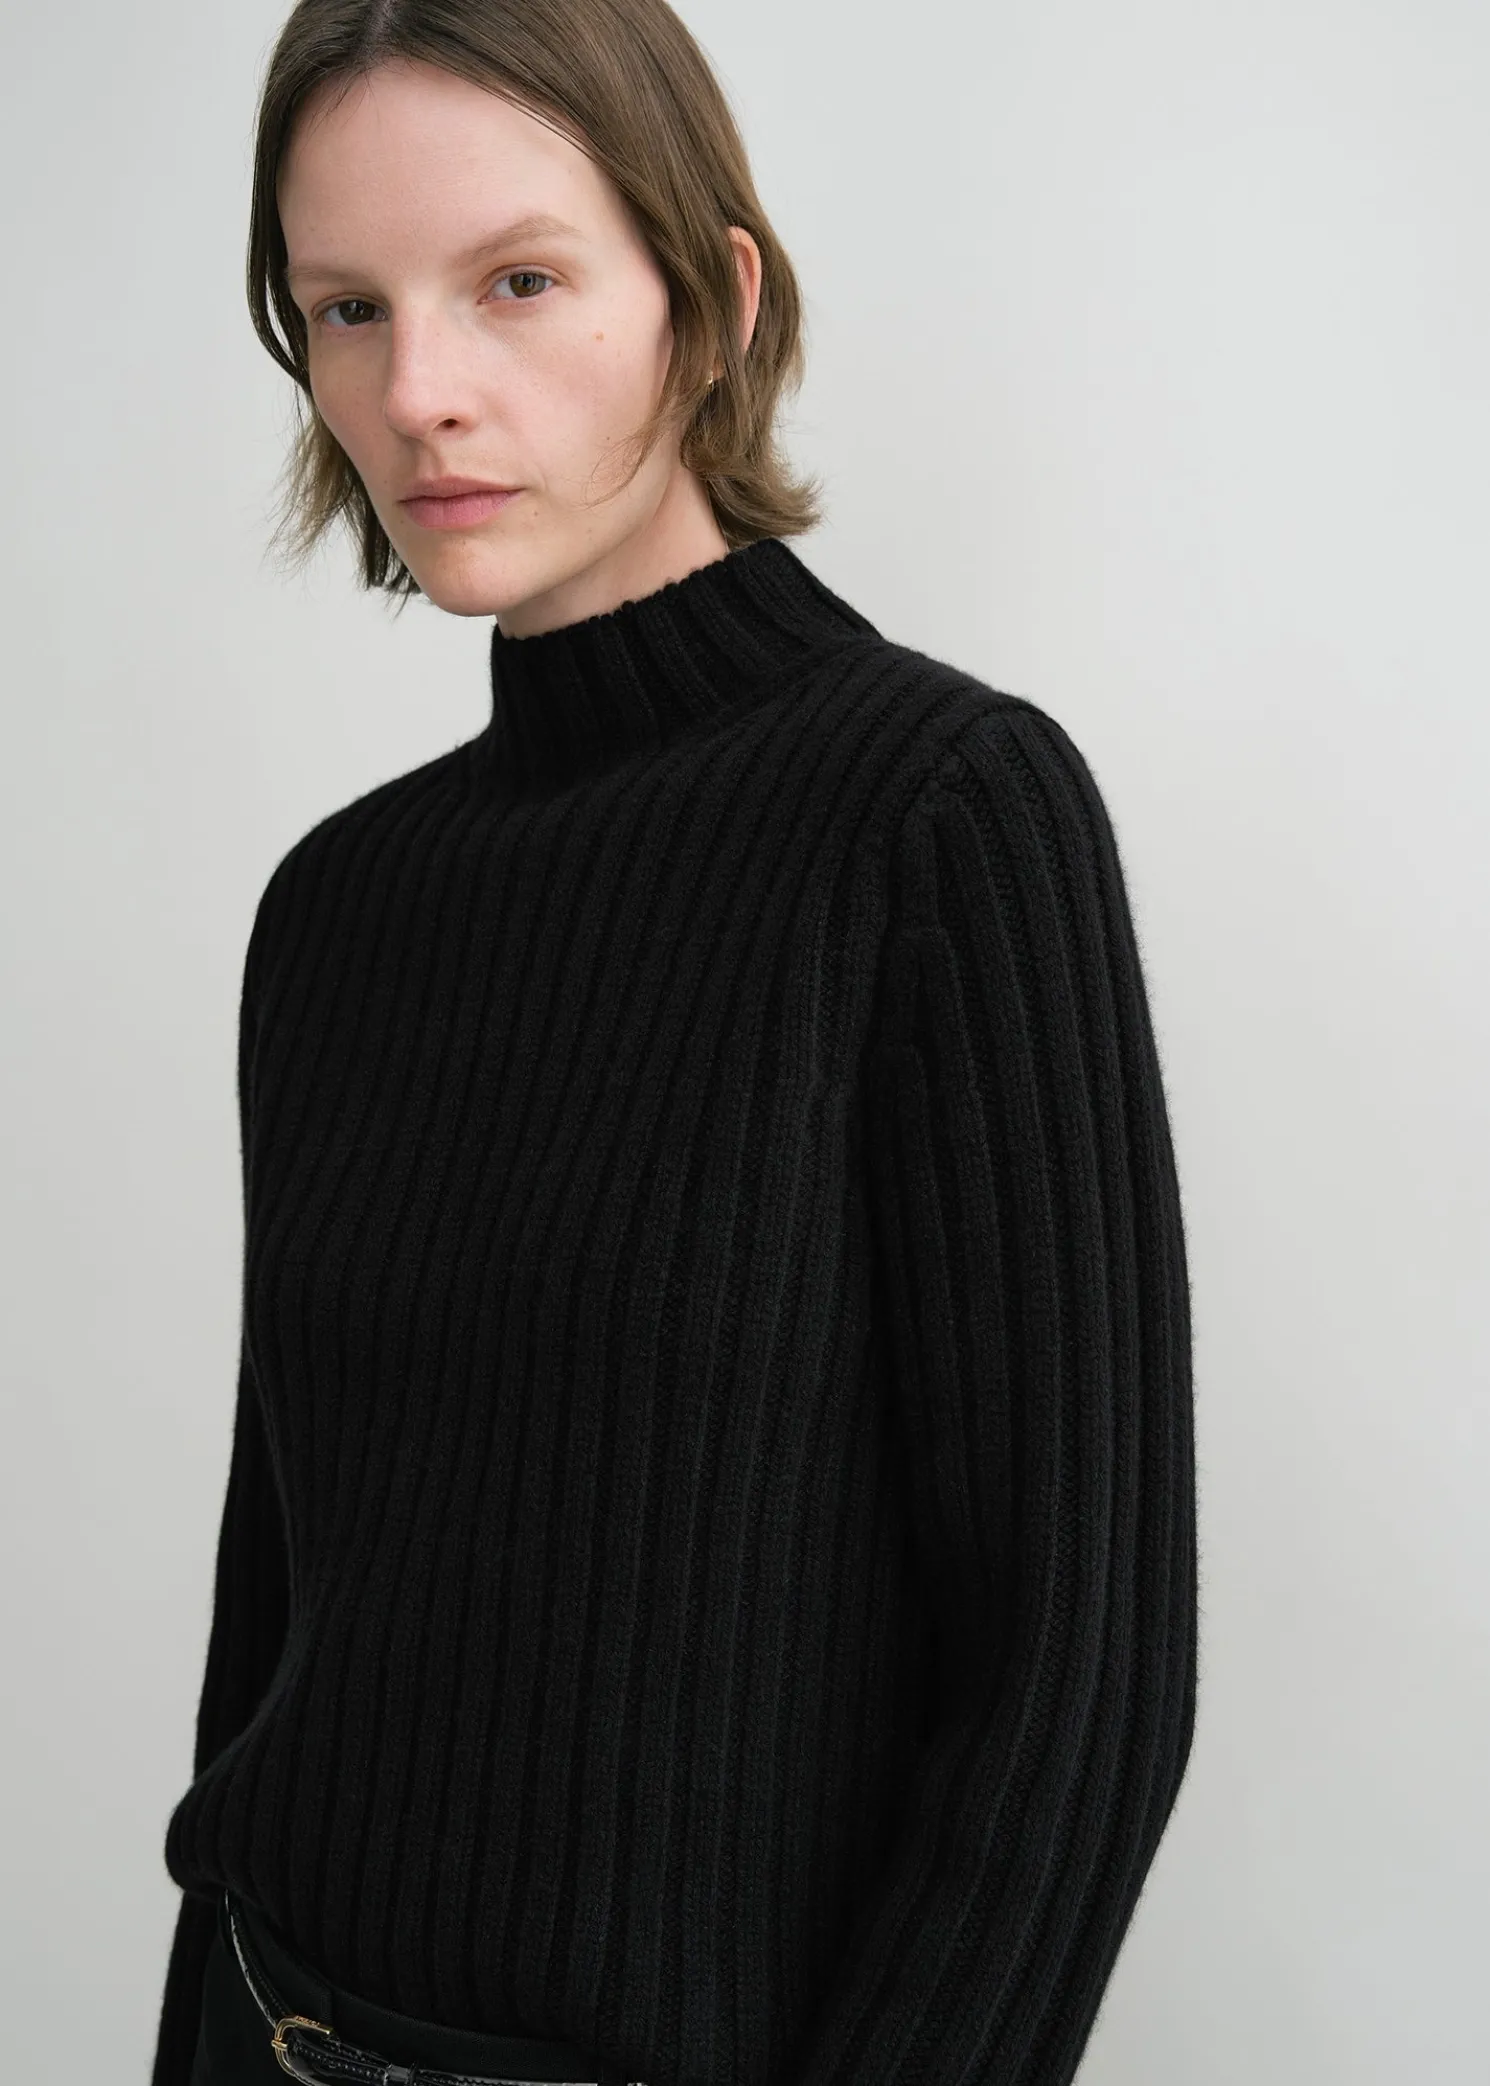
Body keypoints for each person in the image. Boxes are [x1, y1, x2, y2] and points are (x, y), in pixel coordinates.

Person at [150, 2, 1199, 2082]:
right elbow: (281, 1605)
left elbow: (1073, 1687)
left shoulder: (937, 817)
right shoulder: (339, 906)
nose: (417, 392)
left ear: (709, 301)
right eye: (345, 308)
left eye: (517, 281)